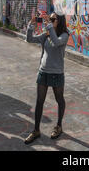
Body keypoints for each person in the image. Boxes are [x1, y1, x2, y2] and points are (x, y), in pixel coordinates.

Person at [24, 12, 69, 144]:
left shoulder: (64, 35)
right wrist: (30, 26)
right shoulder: (47, 34)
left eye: (52, 19)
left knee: (59, 99)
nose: (50, 21)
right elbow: (30, 39)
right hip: (43, 72)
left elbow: (56, 43)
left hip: (57, 73)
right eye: (49, 19)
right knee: (39, 101)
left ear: (59, 21)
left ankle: (59, 126)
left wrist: (49, 27)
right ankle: (36, 130)